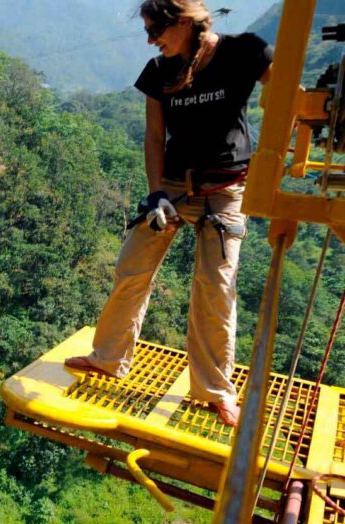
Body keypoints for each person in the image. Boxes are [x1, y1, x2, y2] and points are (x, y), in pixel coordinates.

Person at [64, 0, 273, 428]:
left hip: (224, 188)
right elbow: (155, 134)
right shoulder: (160, 71)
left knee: (215, 289)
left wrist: (276, 156)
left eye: (155, 29)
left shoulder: (242, 53)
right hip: (175, 185)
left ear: (183, 21)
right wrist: (156, 191)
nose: (150, 39)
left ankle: (214, 391)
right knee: (132, 267)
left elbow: (289, 96)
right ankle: (108, 358)